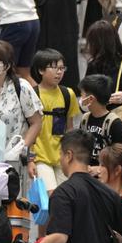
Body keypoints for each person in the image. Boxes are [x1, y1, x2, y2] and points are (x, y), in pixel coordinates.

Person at [29, 49, 82, 195]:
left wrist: (73, 156)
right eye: (54, 68)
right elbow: (27, 130)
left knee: (65, 196)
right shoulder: (32, 94)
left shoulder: (68, 94)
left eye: (61, 68)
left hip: (62, 157)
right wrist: (30, 160)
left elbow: (70, 128)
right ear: (40, 70)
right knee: (51, 196)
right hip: (40, 156)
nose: (59, 72)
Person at [84, 21, 122, 109]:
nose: (89, 47)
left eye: (92, 43)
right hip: (98, 119)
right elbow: (85, 99)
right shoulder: (93, 65)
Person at [78, 74, 122, 167]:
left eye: (82, 95)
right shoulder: (85, 119)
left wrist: (100, 169)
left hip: (106, 175)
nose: (80, 100)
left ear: (91, 99)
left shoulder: (115, 124)